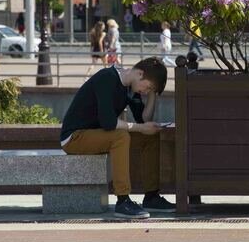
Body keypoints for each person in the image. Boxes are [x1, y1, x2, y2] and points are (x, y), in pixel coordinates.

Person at [60, 57, 175, 218]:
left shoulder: (131, 89)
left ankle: (151, 197)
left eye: (149, 90)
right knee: (120, 136)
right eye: (147, 87)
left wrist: (154, 94)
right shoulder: (107, 78)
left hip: (98, 135)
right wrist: (141, 128)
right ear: (140, 73)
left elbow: (144, 120)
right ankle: (123, 201)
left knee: (150, 136)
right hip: (74, 138)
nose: (145, 92)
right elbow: (108, 122)